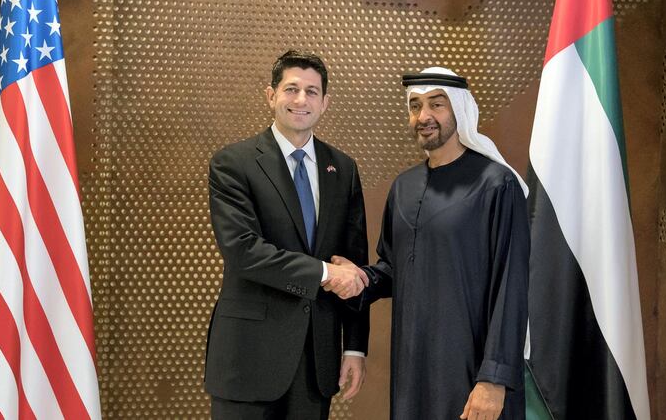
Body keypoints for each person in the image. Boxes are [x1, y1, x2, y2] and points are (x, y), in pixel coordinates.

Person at [332, 67, 530, 420]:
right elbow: (396, 267)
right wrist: (361, 278)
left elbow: (511, 286)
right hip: (413, 370)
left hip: (473, 374)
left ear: (459, 110)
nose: (423, 116)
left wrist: (494, 380)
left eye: (436, 105)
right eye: (415, 106)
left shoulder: (496, 184)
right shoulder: (404, 187)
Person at [204, 50, 370, 420]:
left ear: (325, 103)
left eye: (312, 92)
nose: (301, 100)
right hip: (247, 361)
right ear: (271, 95)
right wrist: (325, 273)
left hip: (316, 363)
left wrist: (355, 347)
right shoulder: (234, 163)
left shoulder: (342, 168)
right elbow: (243, 251)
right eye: (291, 89)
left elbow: (354, 263)